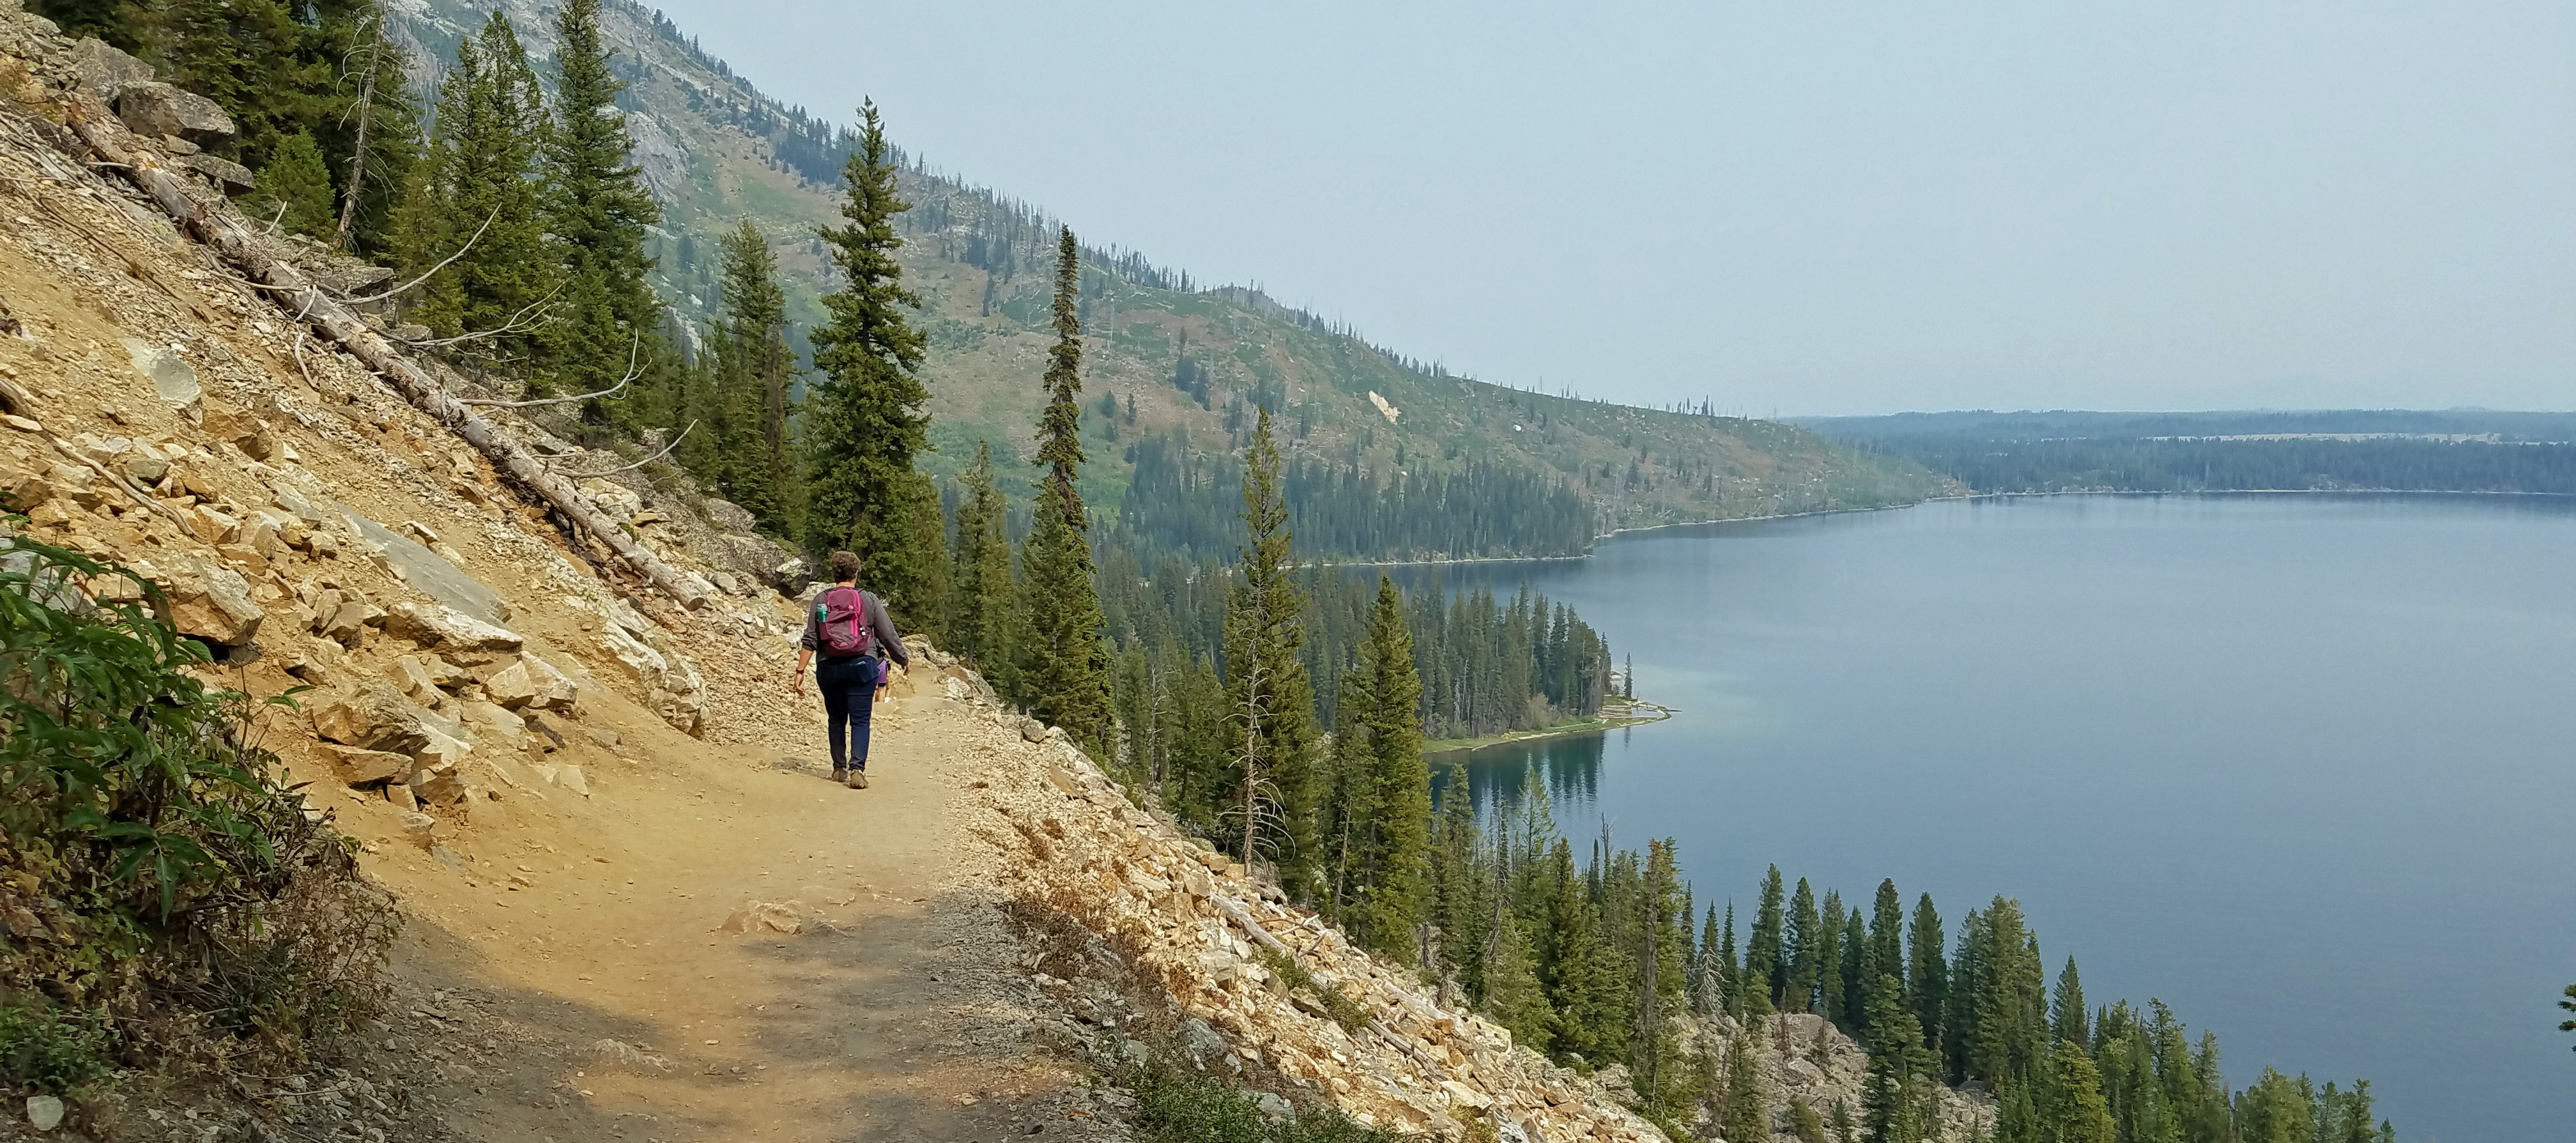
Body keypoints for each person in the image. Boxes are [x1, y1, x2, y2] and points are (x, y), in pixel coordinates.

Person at [792, 551, 907, 788]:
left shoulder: (821, 600)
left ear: (834, 573)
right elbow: (888, 634)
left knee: (836, 718)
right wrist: (902, 658)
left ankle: (838, 769)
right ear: (856, 574)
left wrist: (800, 671)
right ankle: (857, 769)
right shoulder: (868, 599)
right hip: (862, 665)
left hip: (829, 667)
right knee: (860, 720)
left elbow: (811, 638)